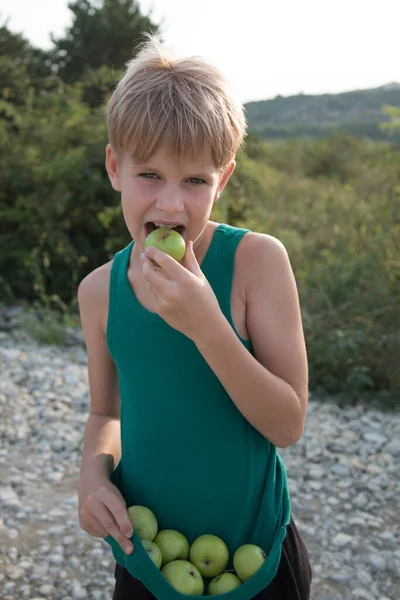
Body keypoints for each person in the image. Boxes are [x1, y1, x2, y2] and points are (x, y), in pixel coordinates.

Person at [77, 33, 312, 600]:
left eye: (195, 181)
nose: (171, 205)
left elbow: (287, 424)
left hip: (255, 555)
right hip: (150, 559)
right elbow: (106, 413)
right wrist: (92, 475)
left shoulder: (257, 262)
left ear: (223, 179)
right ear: (115, 167)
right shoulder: (100, 291)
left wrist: (207, 323)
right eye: (149, 175)